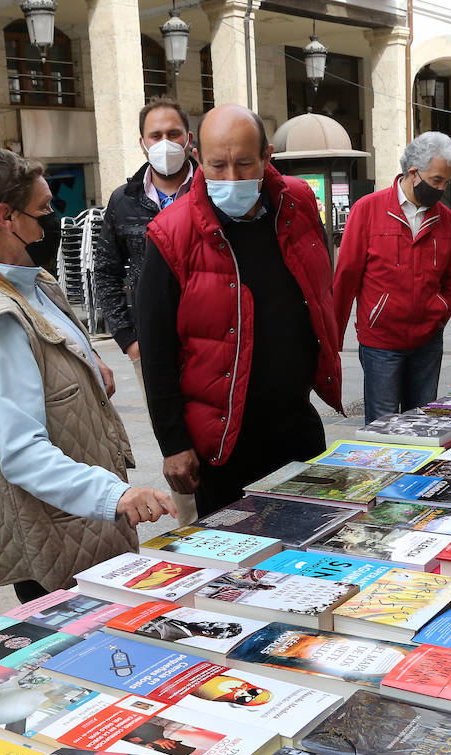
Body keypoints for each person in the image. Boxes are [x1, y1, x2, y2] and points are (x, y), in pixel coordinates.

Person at [0, 145, 175, 604]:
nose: (54, 221)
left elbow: (54, 343)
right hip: (60, 533)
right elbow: (21, 452)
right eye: (43, 209)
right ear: (6, 216)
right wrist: (116, 497)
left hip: (76, 521)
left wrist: (87, 365)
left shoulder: (25, 278)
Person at [135, 103, 344, 515]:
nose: (232, 178)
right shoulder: (172, 233)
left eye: (245, 164)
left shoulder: (297, 203)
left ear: (267, 157)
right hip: (223, 441)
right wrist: (174, 444)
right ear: (197, 158)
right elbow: (156, 350)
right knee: (239, 570)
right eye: (217, 165)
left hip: (295, 425)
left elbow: (317, 286)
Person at [94, 96, 198, 523]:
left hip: (208, 340)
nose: (165, 142)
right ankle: (196, 528)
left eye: (173, 134)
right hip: (152, 348)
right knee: (175, 440)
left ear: (189, 139)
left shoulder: (209, 188)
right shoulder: (124, 200)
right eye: (156, 135)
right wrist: (129, 340)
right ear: (142, 143)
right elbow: (105, 272)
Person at [333, 131, 451, 422]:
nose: (441, 189)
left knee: (423, 424)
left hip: (428, 340)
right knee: (383, 426)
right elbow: (346, 277)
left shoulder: (446, 219)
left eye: (446, 182)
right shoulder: (367, 210)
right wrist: (334, 339)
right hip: (381, 342)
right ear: (414, 173)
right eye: (437, 181)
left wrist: (441, 311)